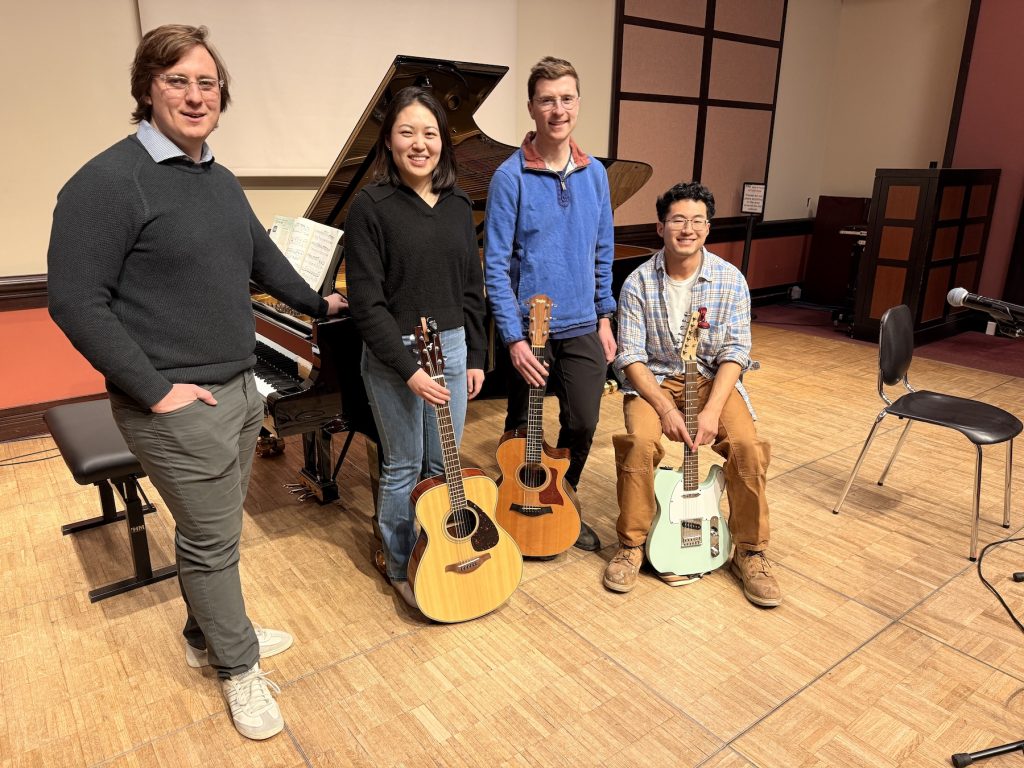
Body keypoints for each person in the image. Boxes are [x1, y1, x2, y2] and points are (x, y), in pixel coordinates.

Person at [47, 25, 347, 740]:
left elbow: (263, 260)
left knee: (209, 534)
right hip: (178, 405)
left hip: (240, 391)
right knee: (215, 542)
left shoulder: (215, 176)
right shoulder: (106, 182)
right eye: (176, 79)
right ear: (147, 89)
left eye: (206, 82)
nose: (194, 94)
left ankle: (201, 634)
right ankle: (238, 668)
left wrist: (319, 303)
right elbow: (75, 301)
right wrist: (154, 390)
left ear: (222, 95)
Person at [603, 182, 780, 607]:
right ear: (661, 226)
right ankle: (631, 544)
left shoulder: (729, 279)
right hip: (657, 380)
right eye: (678, 220)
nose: (688, 229)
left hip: (713, 379)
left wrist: (712, 408)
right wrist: (664, 408)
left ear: (708, 227)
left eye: (698, 221)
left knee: (747, 448)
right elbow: (629, 355)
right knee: (640, 444)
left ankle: (751, 552)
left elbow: (737, 351)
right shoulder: (638, 283)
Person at [345, 86, 487, 609]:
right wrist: (408, 370)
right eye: (407, 132)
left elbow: (471, 288)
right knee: (404, 463)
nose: (419, 143)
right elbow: (366, 305)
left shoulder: (456, 204)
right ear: (388, 140)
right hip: (395, 354)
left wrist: (474, 356)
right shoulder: (371, 206)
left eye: (430, 133)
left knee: (440, 464)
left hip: (451, 347)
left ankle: (437, 549)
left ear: (444, 144)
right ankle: (402, 563)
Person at [484, 56, 616, 553]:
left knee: (582, 420)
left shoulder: (595, 174)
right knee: (521, 427)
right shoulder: (510, 177)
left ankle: (563, 498)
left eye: (566, 99)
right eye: (547, 100)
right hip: (529, 331)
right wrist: (513, 340)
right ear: (532, 107)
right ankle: (513, 506)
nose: (557, 109)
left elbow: (603, 250)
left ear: (577, 104)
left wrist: (605, 315)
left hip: (582, 321)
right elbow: (494, 266)